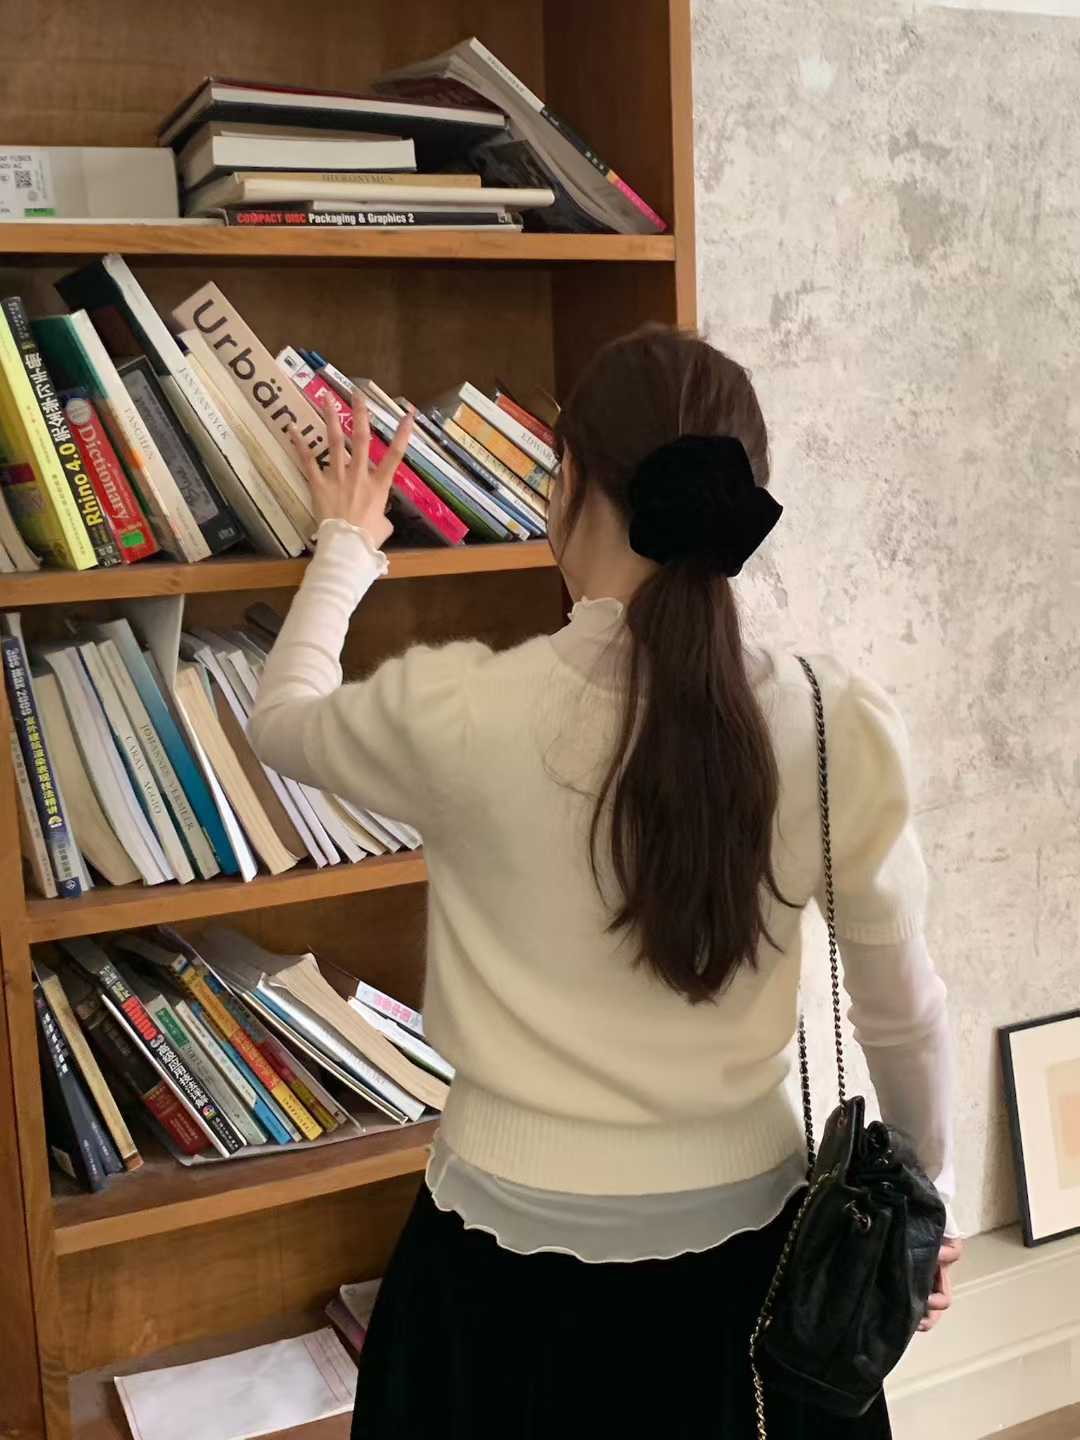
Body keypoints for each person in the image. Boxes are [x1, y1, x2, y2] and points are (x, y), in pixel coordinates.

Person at [249, 327, 962, 1439]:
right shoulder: (832, 723)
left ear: (569, 481)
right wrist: (924, 1206)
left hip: (489, 1287)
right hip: (749, 1294)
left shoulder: (463, 712)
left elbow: (281, 718)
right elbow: (902, 1011)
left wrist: (346, 544)